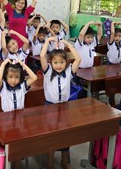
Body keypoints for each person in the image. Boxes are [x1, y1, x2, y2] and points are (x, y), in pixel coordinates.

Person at [40, 37, 81, 169]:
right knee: (51, 134)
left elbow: (78, 59)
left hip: (64, 106)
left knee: (65, 134)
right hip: (50, 107)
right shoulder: (48, 71)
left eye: (62, 62)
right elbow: (42, 55)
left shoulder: (69, 71)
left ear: (66, 63)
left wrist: (68, 44)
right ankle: (50, 160)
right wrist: (48, 41)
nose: (58, 65)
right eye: (55, 62)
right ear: (50, 62)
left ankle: (64, 158)